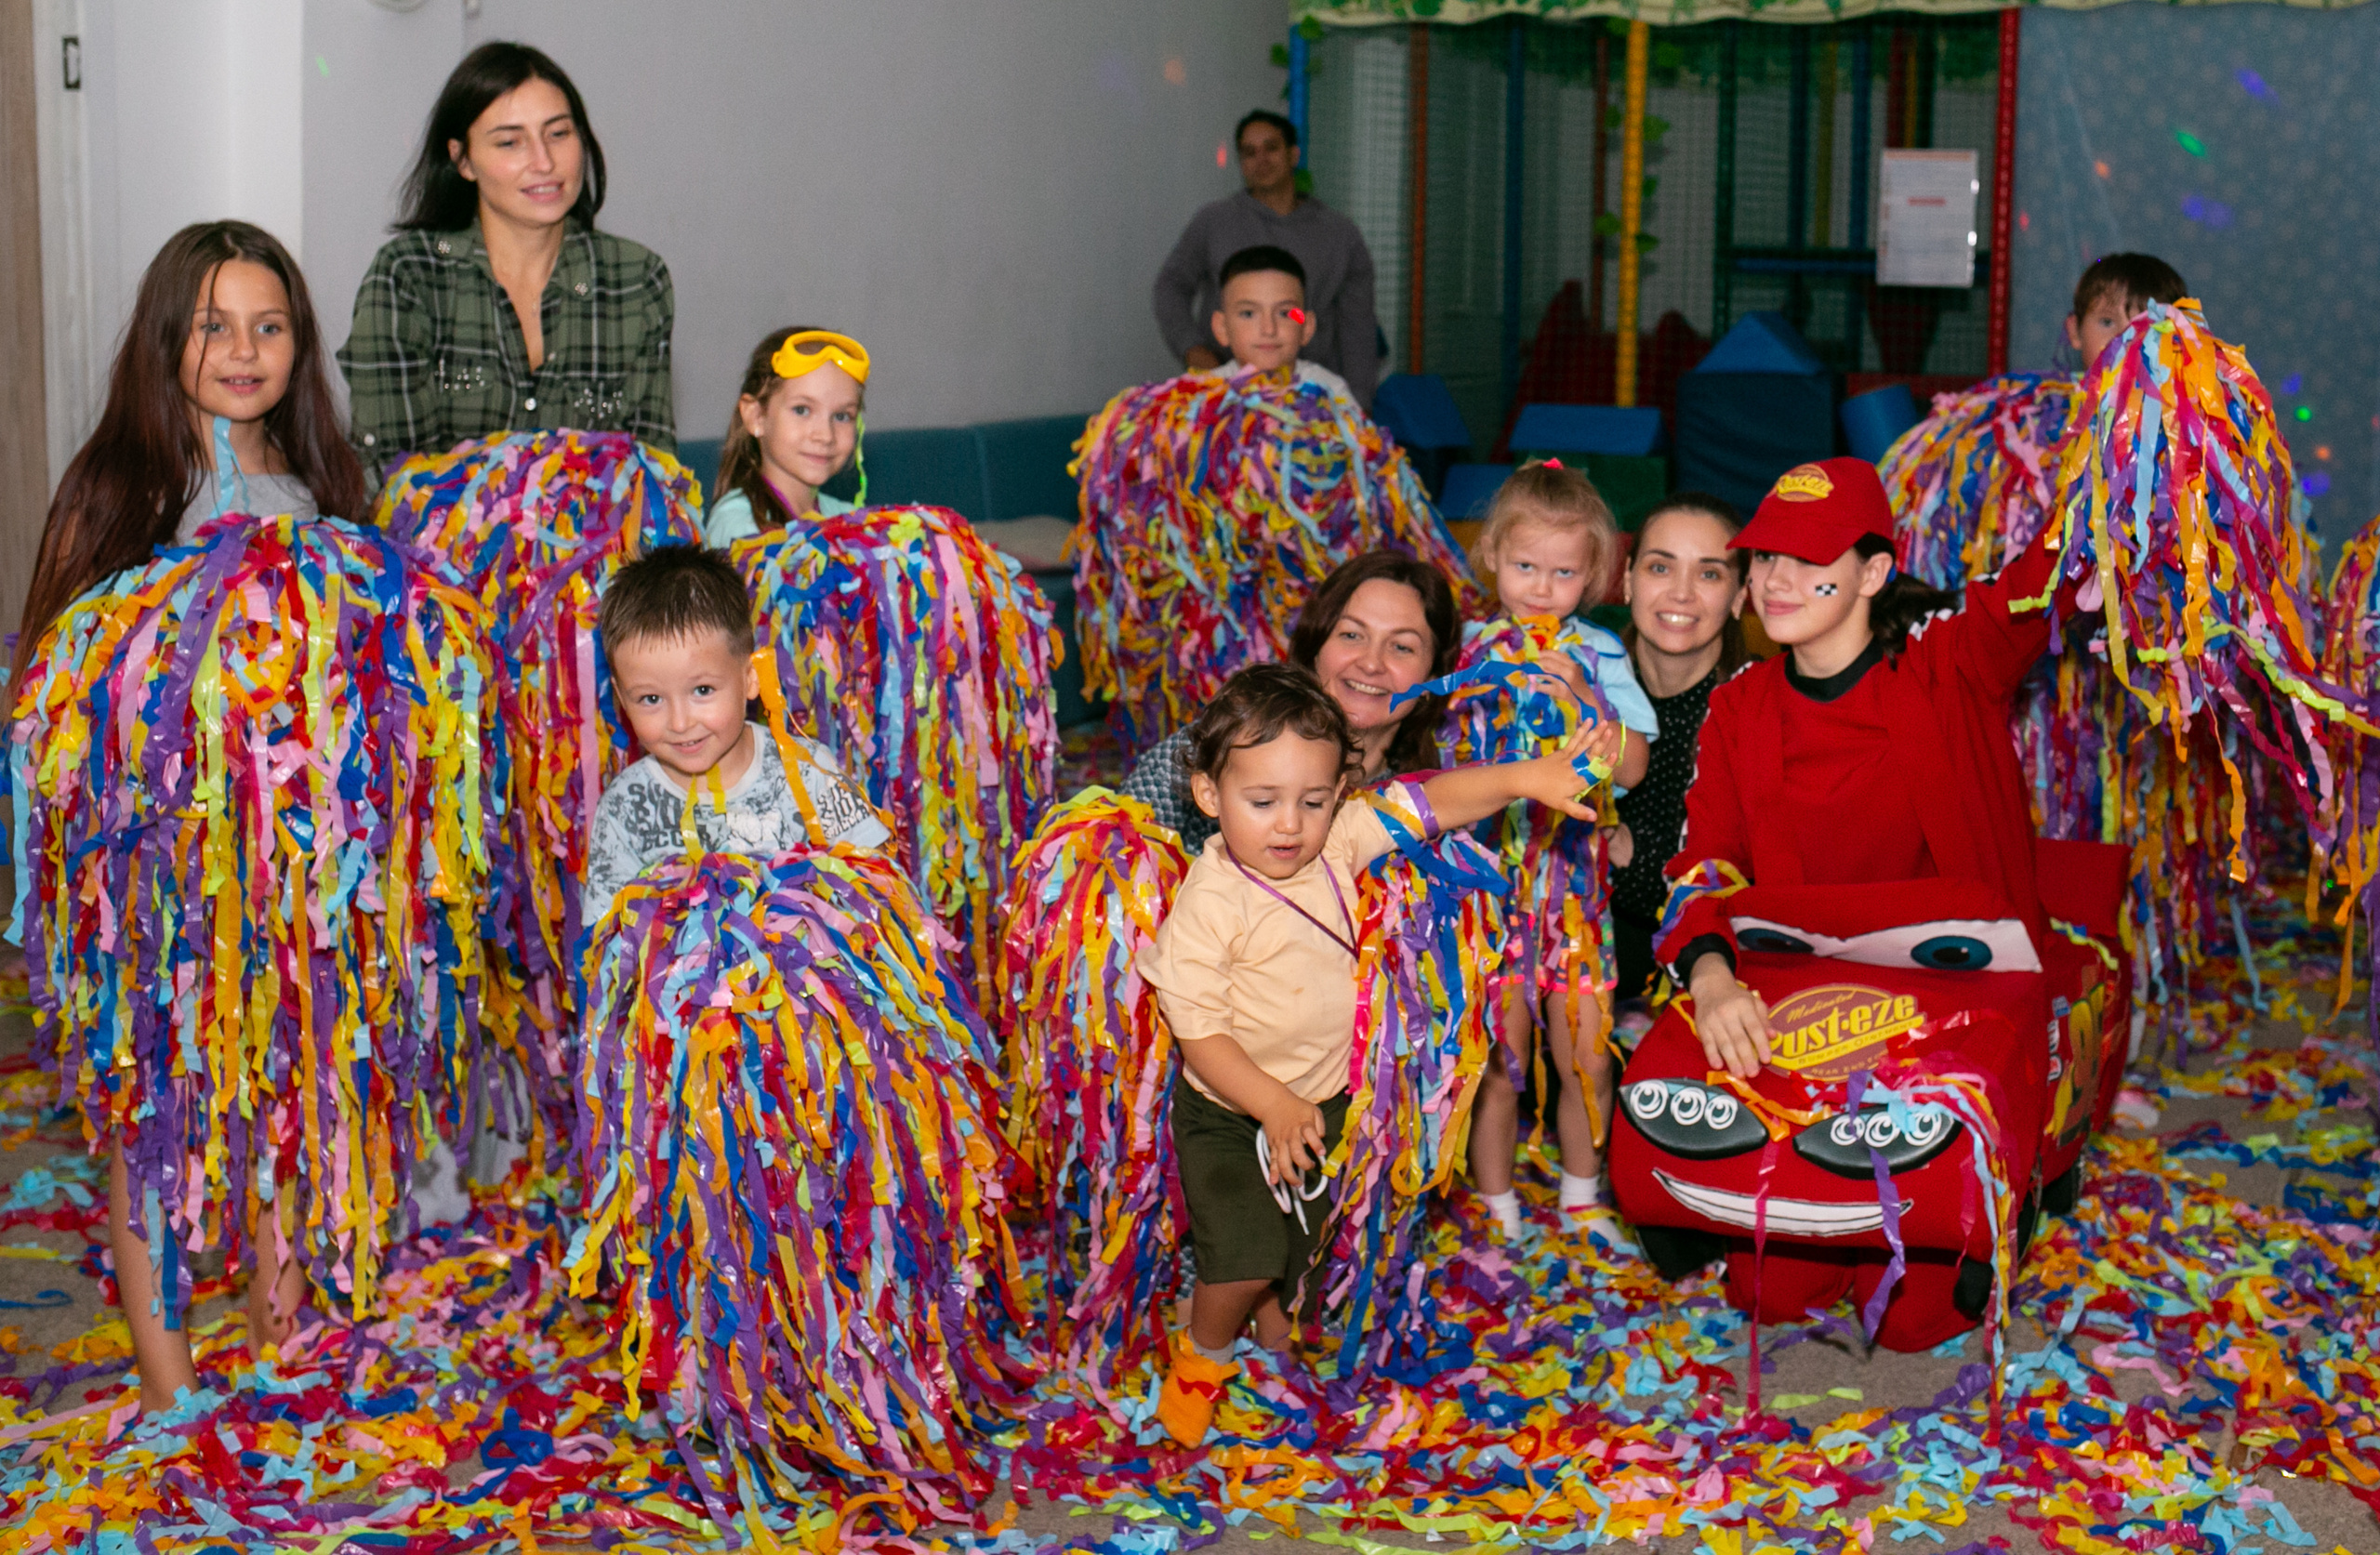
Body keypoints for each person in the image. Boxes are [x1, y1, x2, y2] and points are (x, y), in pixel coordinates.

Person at [12, 218, 365, 1409]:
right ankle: (170, 1398)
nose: (244, 348)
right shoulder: (124, 485)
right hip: (157, 880)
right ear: (169, 336)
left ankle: (283, 1348)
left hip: (291, 877)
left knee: (286, 1110)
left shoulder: (324, 486)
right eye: (214, 325)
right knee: (150, 1124)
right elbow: (55, 693)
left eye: (270, 325)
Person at [1142, 663, 1617, 1446]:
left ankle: (1269, 1331)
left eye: (1315, 800)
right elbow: (1201, 1035)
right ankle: (1201, 1355)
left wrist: (1529, 776)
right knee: (1241, 1251)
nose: (1290, 823)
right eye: (1262, 802)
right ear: (1208, 796)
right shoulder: (1209, 902)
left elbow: (1433, 802)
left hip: (1323, 1103)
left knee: (1293, 1249)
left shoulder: (1338, 847)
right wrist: (1274, 1105)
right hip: (1229, 1112)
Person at [1661, 456, 2085, 1081]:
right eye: (1766, 557)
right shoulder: (1738, 706)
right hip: (1809, 1003)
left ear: (1873, 573)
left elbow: (2051, 573)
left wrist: (2132, 443)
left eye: (1808, 560)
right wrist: (1710, 975)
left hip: (1966, 998)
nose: (1777, 581)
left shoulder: (1950, 663)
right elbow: (1705, 863)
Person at [1456, 463, 1656, 1248]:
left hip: (1573, 889)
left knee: (1585, 1059)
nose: (1542, 587)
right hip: (1489, 889)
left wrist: (1584, 695)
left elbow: (1632, 766)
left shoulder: (1602, 653)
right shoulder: (1468, 649)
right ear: (1493, 561)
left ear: (1593, 576)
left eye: (1564, 571)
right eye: (1525, 566)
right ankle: (1497, 1202)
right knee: (1501, 1059)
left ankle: (1580, 1195)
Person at [339, 42, 674, 486]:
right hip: (432, 553)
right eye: (510, 142)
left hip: (602, 555)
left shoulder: (636, 279)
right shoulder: (409, 277)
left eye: (558, 134)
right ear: (463, 160)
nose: (544, 162)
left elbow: (652, 479)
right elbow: (397, 483)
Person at [581, 547, 891, 932]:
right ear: (621, 698)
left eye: (703, 690)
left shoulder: (808, 772)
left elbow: (879, 885)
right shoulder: (626, 808)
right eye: (651, 699)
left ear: (750, 678)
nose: (679, 722)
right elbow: (605, 943)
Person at [1120, 551, 1460, 855]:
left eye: (1402, 647)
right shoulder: (1219, 749)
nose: (1371, 663)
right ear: (1315, 651)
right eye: (1351, 635)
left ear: (1434, 678)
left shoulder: (1427, 810)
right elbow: (1111, 860)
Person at [1609, 493, 1752, 1005]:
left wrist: (1628, 855)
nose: (1682, 593)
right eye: (1660, 567)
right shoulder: (1573, 689)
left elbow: (1748, 893)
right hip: (1572, 982)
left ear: (1740, 596)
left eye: (1710, 574)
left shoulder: (1756, 708)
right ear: (1627, 580)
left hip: (1709, 986)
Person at [1154, 110, 1381, 408]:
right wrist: (1192, 348)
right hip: (1227, 396)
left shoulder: (1339, 234)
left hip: (1307, 401)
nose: (1261, 160)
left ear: (1293, 154)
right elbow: (1171, 285)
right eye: (1249, 153)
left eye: (1271, 148)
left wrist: (1359, 407)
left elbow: (1358, 327)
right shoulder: (1214, 222)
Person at [704, 328, 868, 547]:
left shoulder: (853, 520)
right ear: (756, 417)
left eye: (841, 416)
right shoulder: (739, 525)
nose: (825, 435)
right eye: (802, 410)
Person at [1195, 246, 1357, 407]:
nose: (1269, 329)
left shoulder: (1332, 394)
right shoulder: (1201, 395)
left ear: (1306, 327)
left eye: (1285, 314)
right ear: (1222, 328)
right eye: (1248, 314)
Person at [2065, 253, 2187, 373]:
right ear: (2075, 331)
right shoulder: (2052, 391)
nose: (2125, 340)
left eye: (2147, 325)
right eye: (2107, 322)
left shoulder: (2198, 392)